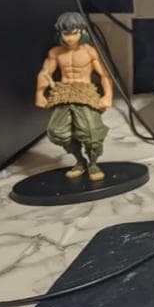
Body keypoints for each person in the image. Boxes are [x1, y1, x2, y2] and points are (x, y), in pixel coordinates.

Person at [35, 12, 113, 181]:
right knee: (56, 132)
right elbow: (45, 72)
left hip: (84, 93)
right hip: (63, 93)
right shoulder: (56, 52)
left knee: (91, 133)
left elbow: (104, 75)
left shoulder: (90, 52)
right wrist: (39, 93)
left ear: (82, 32)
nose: (70, 38)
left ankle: (93, 163)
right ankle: (80, 160)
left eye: (74, 33)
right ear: (60, 34)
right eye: (66, 34)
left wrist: (107, 95)